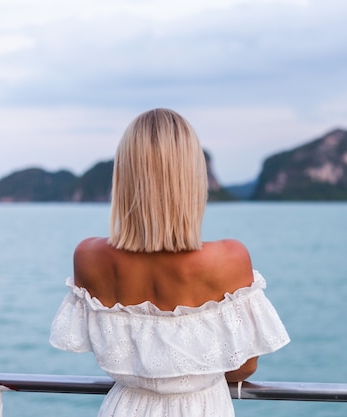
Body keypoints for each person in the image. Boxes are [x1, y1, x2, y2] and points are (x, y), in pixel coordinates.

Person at [50, 108, 290, 417]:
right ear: (192, 178)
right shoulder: (229, 258)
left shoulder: (89, 256)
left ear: (124, 176)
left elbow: (116, 354)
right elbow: (242, 367)